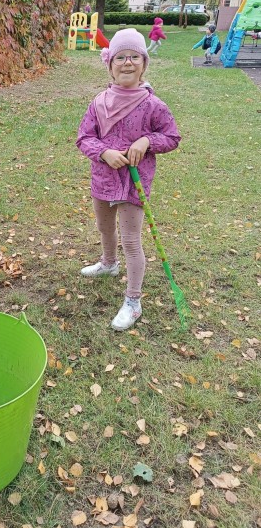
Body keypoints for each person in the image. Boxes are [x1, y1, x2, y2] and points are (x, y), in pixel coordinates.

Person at [77, 29, 181, 331]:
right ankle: (108, 263)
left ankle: (133, 301)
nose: (127, 63)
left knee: (132, 241)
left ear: (143, 64)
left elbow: (172, 137)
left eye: (134, 57)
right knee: (104, 227)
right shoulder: (98, 102)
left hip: (134, 182)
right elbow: (84, 137)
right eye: (120, 57)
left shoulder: (153, 105)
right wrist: (104, 152)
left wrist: (146, 141)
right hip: (103, 178)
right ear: (110, 65)